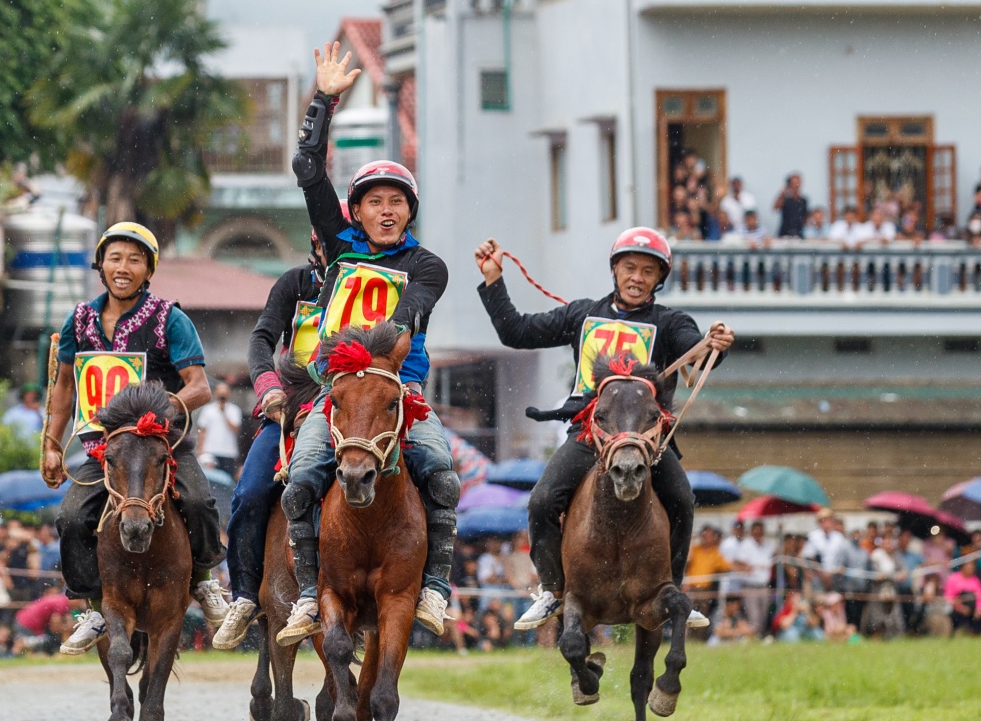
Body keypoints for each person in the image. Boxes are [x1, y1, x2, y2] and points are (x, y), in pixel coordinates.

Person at [275, 41, 463, 646]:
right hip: (336, 396)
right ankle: (309, 593)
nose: (387, 211)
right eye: (375, 203)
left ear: (410, 212)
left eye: (397, 202)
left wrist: (382, 359)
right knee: (302, 474)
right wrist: (323, 100)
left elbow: (408, 319)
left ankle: (433, 584)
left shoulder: (427, 265)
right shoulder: (338, 246)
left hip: (398, 391)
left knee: (440, 472)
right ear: (355, 211)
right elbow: (308, 170)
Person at [473, 225, 733, 632]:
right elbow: (516, 332)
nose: (637, 278)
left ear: (659, 280)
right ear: (615, 270)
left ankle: (673, 587)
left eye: (648, 272)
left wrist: (714, 346)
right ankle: (552, 590)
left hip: (646, 444)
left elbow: (695, 350)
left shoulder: (670, 321)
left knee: (682, 499)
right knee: (542, 501)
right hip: (589, 436)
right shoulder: (582, 314)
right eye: (630, 267)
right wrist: (493, 279)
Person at [39, 222, 229, 655]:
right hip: (105, 451)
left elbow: (198, 386)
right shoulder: (80, 319)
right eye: (115, 258)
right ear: (100, 265)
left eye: (135, 260)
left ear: (149, 270)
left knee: (199, 501)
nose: (123, 268)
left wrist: (155, 417)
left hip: (162, 446)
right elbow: (65, 386)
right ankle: (90, 604)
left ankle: (204, 580)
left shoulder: (170, 319)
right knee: (70, 518)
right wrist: (51, 443)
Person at [210, 233, 328, 649]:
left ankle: (426, 589)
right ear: (315, 244)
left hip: (355, 412)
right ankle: (244, 594)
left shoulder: (383, 280)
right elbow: (261, 340)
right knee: (250, 491)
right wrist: (269, 388)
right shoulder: (295, 283)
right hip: (289, 411)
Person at [194, 383, 243, 475]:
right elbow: (202, 431)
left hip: (228, 452)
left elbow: (235, 429)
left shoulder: (234, 410)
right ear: (216, 394)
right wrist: (200, 450)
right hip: (211, 450)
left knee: (226, 479)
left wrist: (224, 412)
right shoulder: (208, 410)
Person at [773, 173, 808, 238]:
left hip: (798, 233)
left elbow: (805, 218)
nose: (796, 185)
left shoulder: (803, 200)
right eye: (793, 183)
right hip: (785, 232)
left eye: (798, 183)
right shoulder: (785, 199)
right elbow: (775, 208)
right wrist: (783, 193)